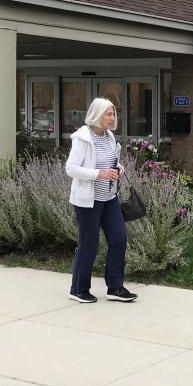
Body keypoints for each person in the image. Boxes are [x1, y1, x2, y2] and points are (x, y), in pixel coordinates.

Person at [65, 97, 138, 303]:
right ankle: (78, 289)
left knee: (118, 238)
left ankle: (115, 287)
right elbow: (71, 169)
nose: (113, 117)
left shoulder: (108, 136)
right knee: (89, 243)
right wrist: (99, 174)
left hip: (109, 198)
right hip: (88, 201)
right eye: (108, 113)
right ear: (96, 114)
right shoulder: (83, 138)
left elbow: (111, 162)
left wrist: (118, 169)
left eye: (113, 113)